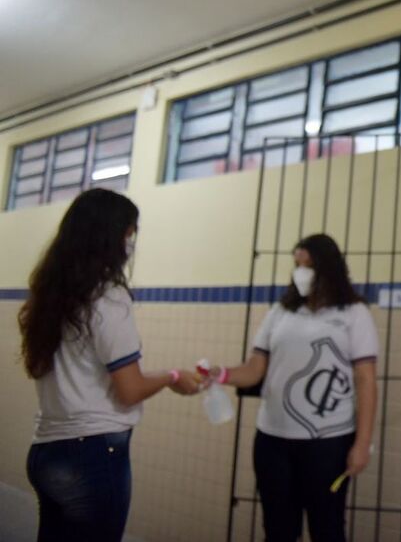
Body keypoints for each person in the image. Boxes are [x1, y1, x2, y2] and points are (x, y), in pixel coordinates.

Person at [18, 188, 202, 542]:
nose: (131, 243)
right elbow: (129, 390)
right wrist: (171, 376)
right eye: (129, 233)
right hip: (92, 456)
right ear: (110, 236)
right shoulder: (108, 297)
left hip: (46, 451)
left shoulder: (52, 297)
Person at [210, 233, 378, 542]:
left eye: (308, 265)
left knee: (326, 527)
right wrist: (219, 374)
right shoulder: (281, 312)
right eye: (297, 264)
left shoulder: (354, 313)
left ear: (327, 267)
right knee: (277, 528)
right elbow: (254, 369)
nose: (300, 271)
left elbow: (366, 379)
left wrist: (362, 443)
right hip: (272, 440)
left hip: (328, 442)